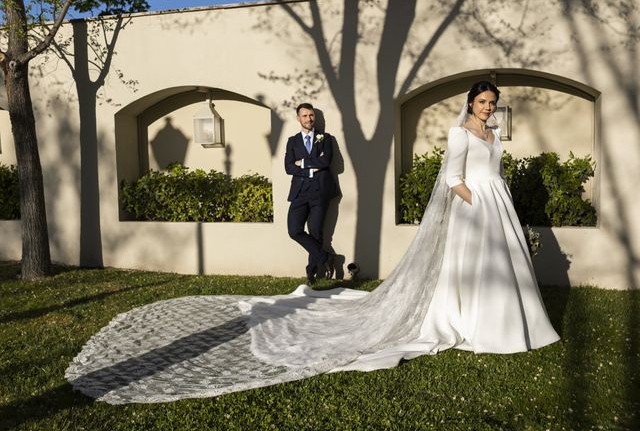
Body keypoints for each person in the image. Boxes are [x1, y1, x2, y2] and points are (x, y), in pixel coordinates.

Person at [66, 82, 560, 403]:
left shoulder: (494, 132)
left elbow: (491, 170)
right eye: (482, 103)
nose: (488, 110)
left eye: (492, 104)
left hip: (497, 207)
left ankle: (504, 323)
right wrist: (476, 204)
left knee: (503, 270)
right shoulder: (460, 135)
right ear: (470, 104)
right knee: (461, 272)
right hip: (474, 210)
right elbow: (452, 178)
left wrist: (497, 201)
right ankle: (454, 317)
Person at [284, 103, 339, 284]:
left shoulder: (325, 138)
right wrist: (310, 166)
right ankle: (326, 258)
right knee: (294, 230)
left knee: (315, 232)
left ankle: (312, 272)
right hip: (300, 192)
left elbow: (325, 161)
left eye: (311, 115)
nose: (309, 119)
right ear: (298, 118)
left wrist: (303, 163)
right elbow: (289, 167)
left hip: (320, 191)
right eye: (305, 116)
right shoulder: (292, 141)